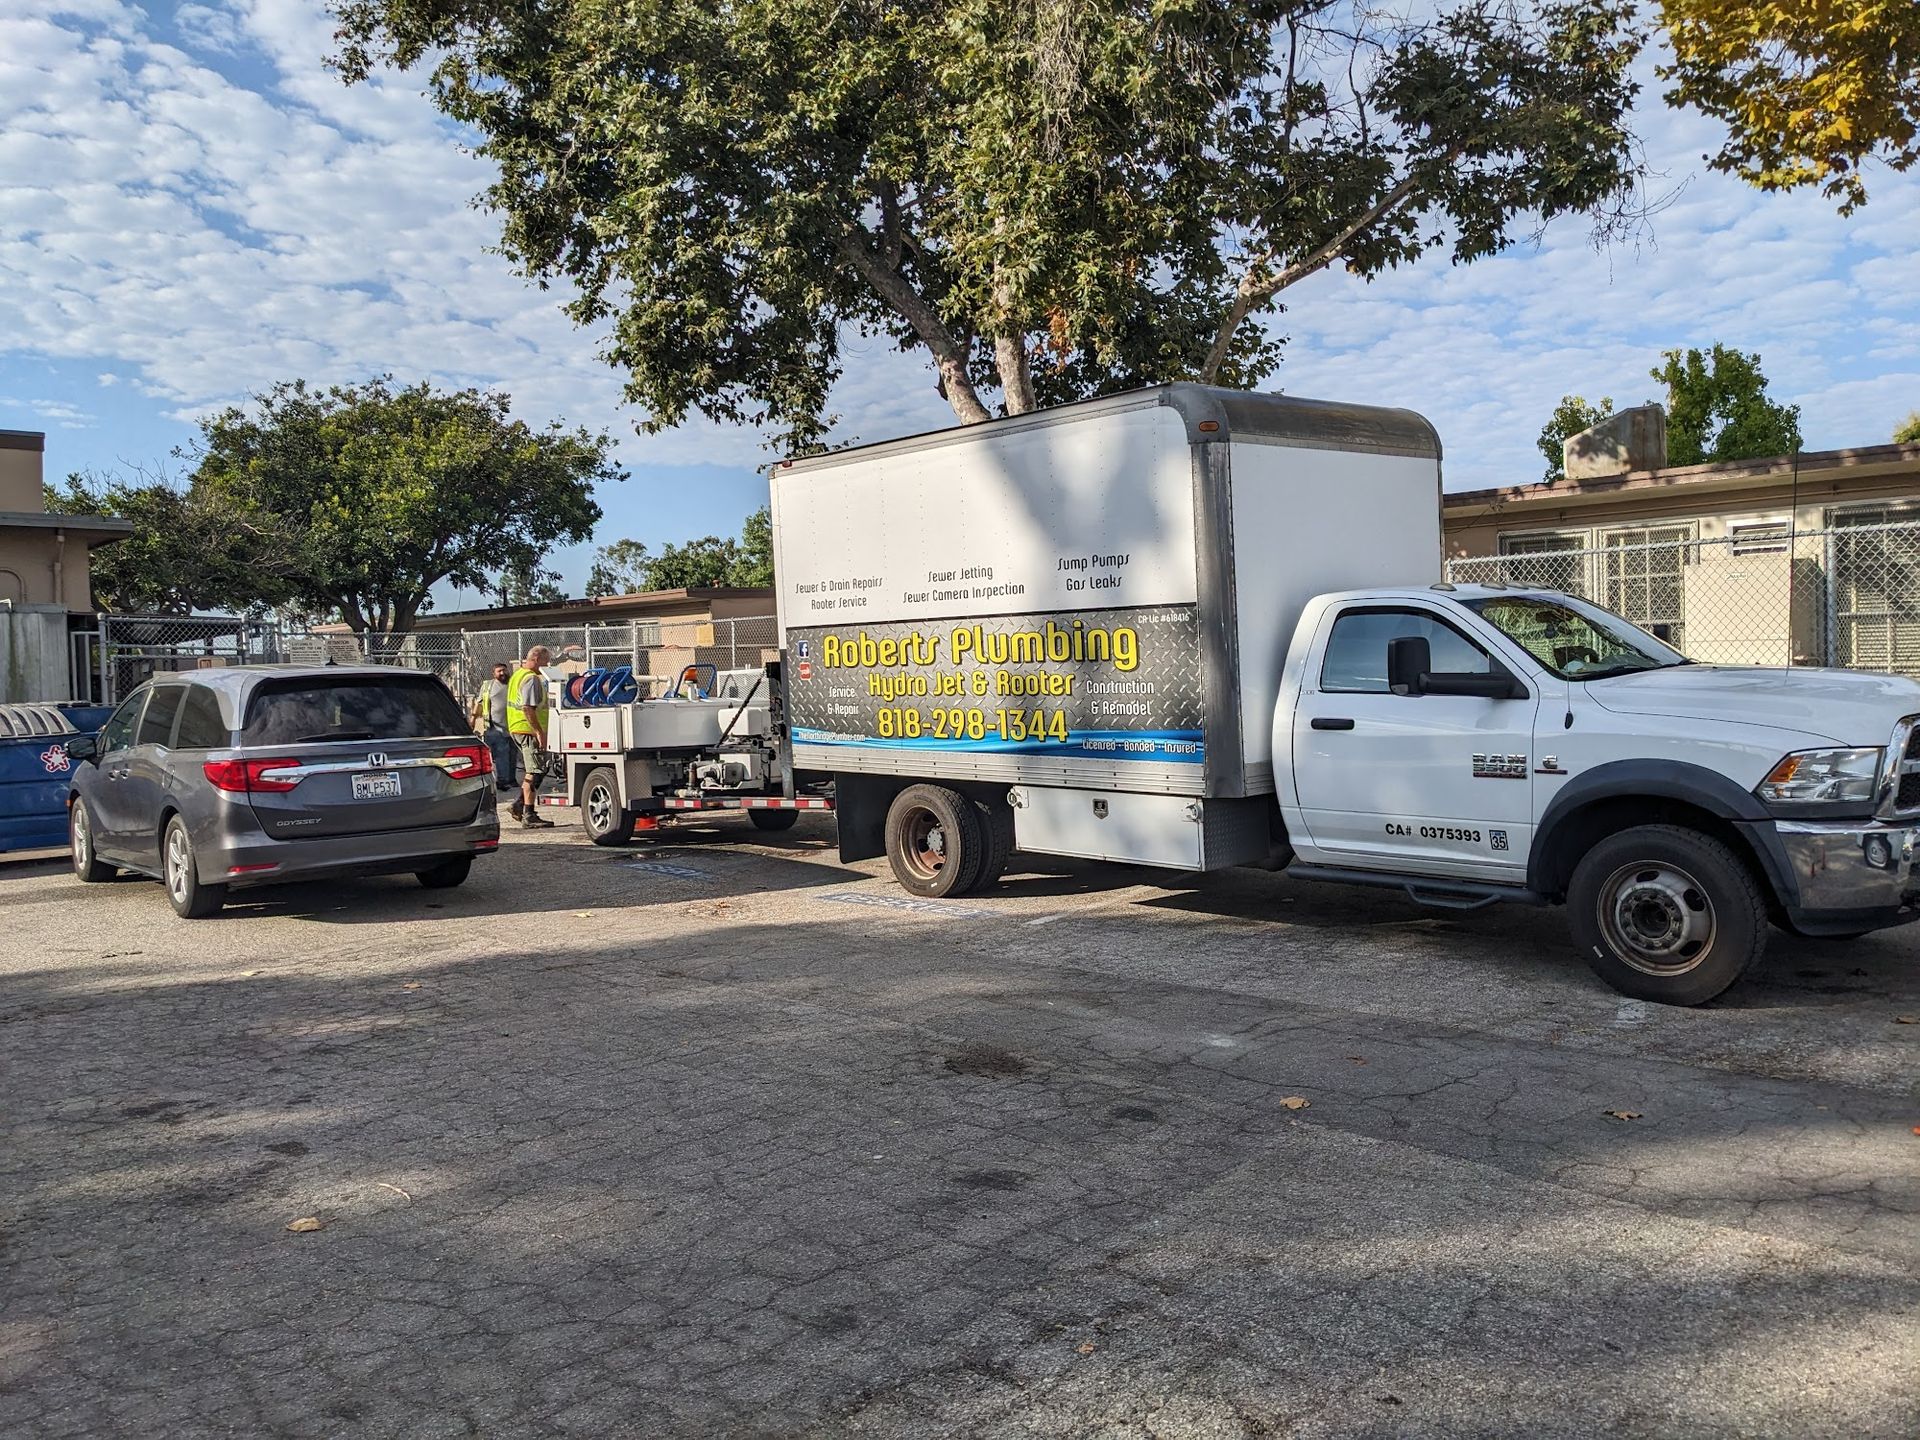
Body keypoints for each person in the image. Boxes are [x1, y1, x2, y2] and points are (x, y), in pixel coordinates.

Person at [506, 645, 555, 828]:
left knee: (536, 769)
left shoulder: (518, 675)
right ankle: (528, 814)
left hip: (519, 728)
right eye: (545, 660)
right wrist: (539, 732)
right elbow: (527, 708)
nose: (547, 664)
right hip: (527, 730)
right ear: (535, 658)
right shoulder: (531, 678)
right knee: (535, 771)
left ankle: (519, 805)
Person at [471, 660, 518, 794]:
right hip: (495, 729)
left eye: (504, 670)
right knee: (501, 755)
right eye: (499, 671)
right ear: (494, 674)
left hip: (513, 727)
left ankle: (511, 779)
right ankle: (503, 781)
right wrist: (473, 719)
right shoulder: (488, 686)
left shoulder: (513, 684)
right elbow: (479, 704)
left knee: (512, 754)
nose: (503, 673)